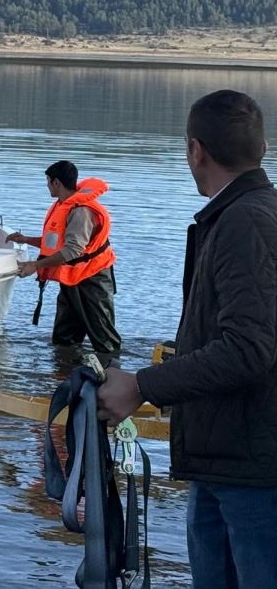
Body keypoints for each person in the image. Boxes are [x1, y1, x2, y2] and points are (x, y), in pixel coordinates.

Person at [97, 90, 277, 587]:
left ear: (195, 150)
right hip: (226, 460)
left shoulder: (246, 222)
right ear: (262, 149)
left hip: (251, 470)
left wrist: (142, 385)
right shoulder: (243, 214)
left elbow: (249, 348)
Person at [9, 160, 121, 362]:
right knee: (64, 338)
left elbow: (73, 250)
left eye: (48, 181)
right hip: (72, 279)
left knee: (104, 339)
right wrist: (26, 239)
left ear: (56, 182)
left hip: (92, 279)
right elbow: (57, 243)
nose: (47, 186)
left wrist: (35, 265)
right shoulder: (65, 205)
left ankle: (112, 372)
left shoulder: (80, 211)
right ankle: (64, 371)